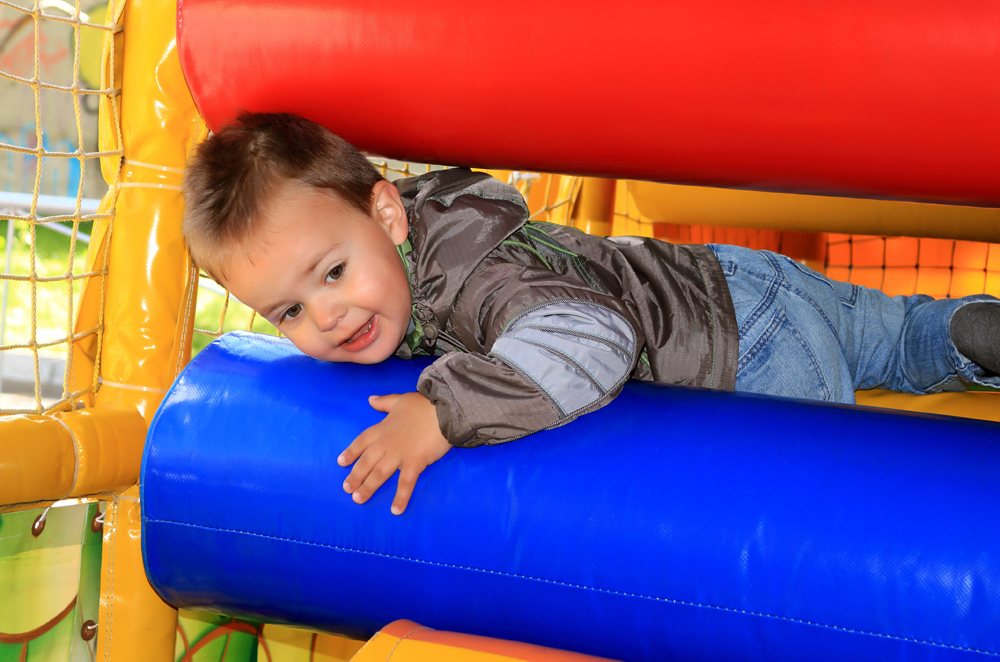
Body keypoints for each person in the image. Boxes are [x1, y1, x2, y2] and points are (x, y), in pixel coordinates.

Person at [182, 112, 1000, 515]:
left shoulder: (478, 274)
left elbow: (592, 339)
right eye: (287, 309)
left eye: (332, 273)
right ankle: (966, 333)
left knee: (807, 520)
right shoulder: (414, 253)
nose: (325, 317)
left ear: (390, 218)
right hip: (737, 279)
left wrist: (446, 410)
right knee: (891, 337)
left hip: (743, 352)